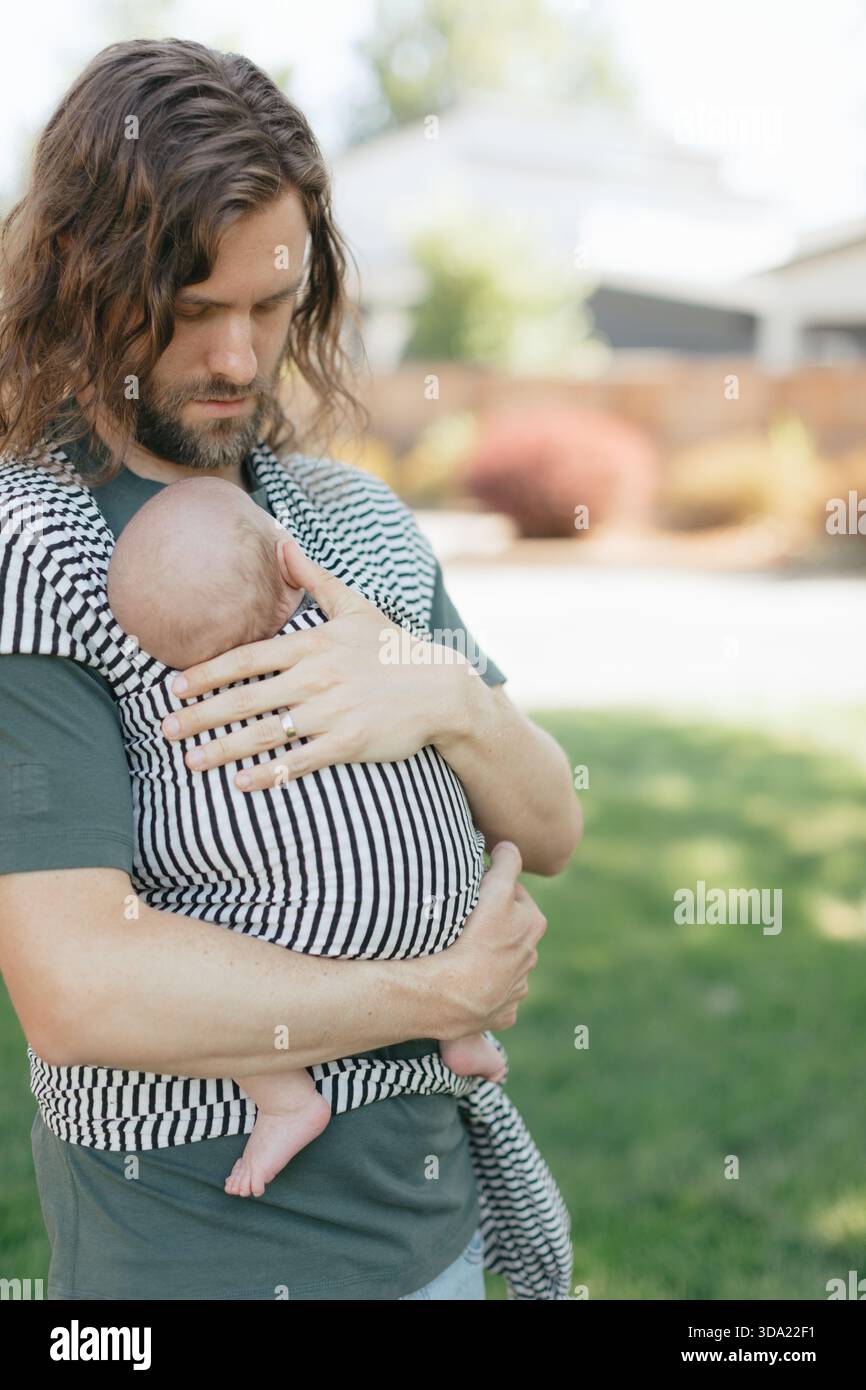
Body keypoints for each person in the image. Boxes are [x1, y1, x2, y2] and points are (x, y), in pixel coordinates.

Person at [0, 38, 582, 1300]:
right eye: (191, 309)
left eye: (269, 305)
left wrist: (449, 698)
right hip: (200, 1252)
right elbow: (78, 988)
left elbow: (550, 822)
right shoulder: (34, 545)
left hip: (435, 1225)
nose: (237, 359)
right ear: (77, 277)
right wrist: (434, 992)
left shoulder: (351, 519)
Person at [106, 474, 508, 1198]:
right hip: (444, 905)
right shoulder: (355, 637)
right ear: (292, 574)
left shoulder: (176, 703)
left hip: (306, 938)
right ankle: (460, 1032)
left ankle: (289, 1099)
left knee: (185, 939)